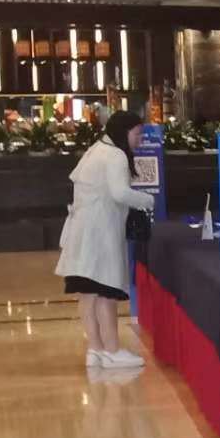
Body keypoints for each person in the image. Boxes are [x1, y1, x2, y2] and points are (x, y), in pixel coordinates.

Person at [55, 110, 157, 369]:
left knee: (88, 295)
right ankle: (112, 350)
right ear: (124, 132)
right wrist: (147, 200)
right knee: (106, 293)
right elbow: (120, 193)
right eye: (137, 134)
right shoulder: (116, 155)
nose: (140, 140)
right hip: (100, 234)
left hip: (81, 233)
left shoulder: (95, 150)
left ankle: (95, 349)